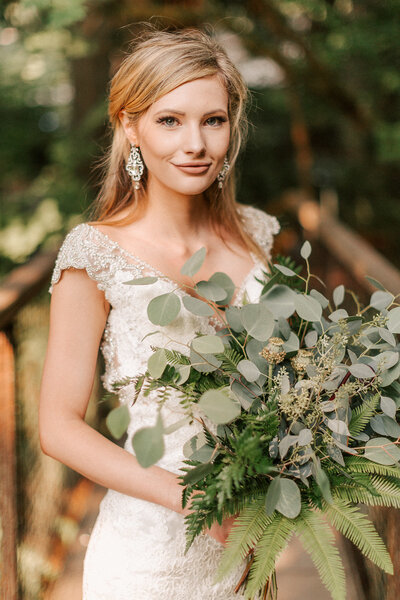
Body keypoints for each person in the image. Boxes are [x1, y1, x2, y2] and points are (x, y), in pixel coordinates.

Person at [39, 26, 280, 599]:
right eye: (170, 120)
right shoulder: (94, 254)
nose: (194, 144)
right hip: (148, 557)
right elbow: (58, 428)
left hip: (251, 545)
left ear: (232, 126)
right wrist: (193, 498)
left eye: (212, 120)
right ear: (130, 126)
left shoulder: (257, 235)